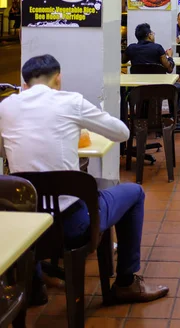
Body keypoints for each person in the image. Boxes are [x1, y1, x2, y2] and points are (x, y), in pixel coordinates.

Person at [0, 54, 169, 305]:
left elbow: (4, 151)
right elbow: (122, 133)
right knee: (134, 193)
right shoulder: (71, 101)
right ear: (58, 79)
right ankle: (126, 283)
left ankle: (34, 287)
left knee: (26, 194)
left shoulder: (6, 107)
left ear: (24, 84)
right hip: (72, 227)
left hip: (26, 228)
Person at [123, 23, 180, 132]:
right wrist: (169, 56)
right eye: (152, 34)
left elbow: (122, 60)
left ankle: (131, 124)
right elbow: (169, 69)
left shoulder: (131, 48)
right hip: (160, 89)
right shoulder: (157, 48)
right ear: (149, 35)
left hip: (138, 89)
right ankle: (175, 120)